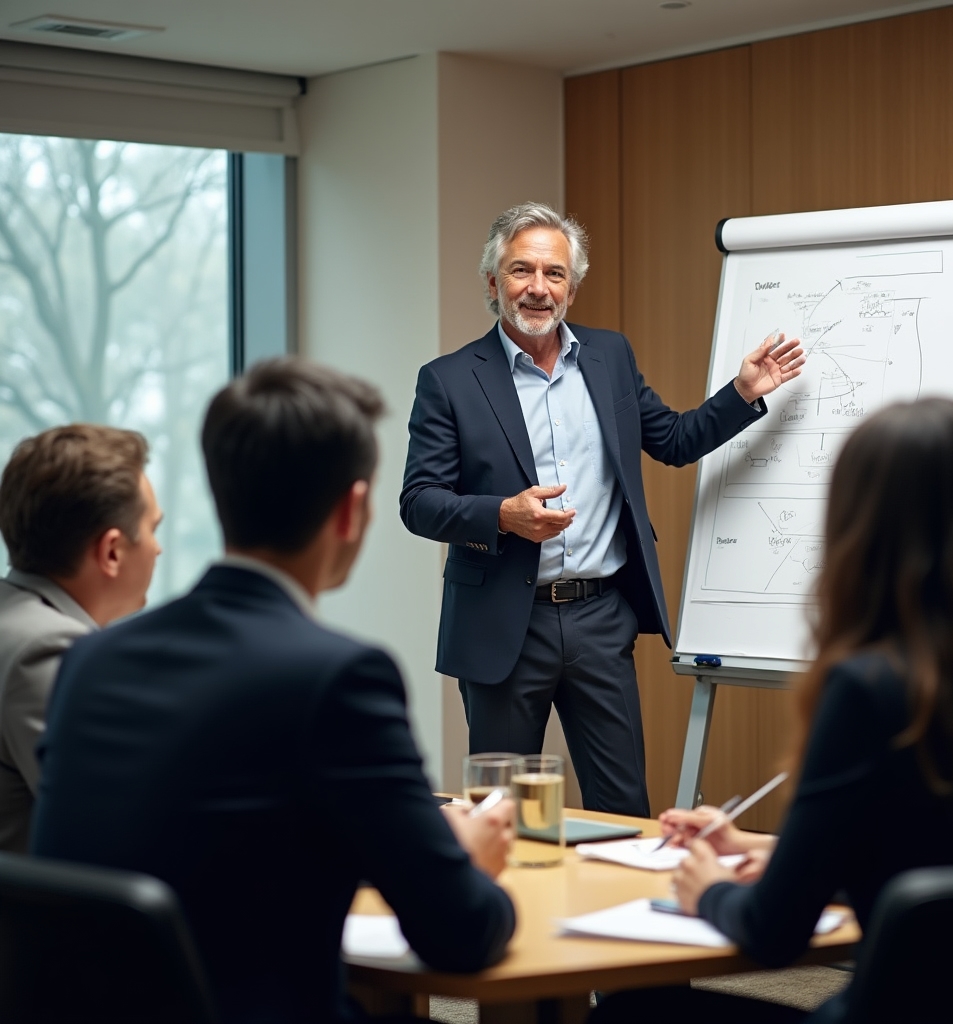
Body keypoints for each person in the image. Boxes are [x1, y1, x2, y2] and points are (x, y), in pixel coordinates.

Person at [32, 359, 517, 1024]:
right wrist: (471, 860)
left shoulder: (91, 659)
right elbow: (461, 934)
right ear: (352, 510)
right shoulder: (339, 677)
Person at [591, 398, 953, 1023]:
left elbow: (774, 933)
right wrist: (771, 850)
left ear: (861, 527)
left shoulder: (868, 688)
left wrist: (708, 890)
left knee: (632, 1014)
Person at [401, 201, 805, 816]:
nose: (538, 288)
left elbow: (672, 440)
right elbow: (420, 502)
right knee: (501, 815)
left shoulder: (609, 356)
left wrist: (743, 393)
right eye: (521, 271)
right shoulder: (450, 379)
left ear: (572, 285)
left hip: (600, 620)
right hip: (504, 624)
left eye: (554, 274)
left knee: (624, 809)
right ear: (493, 283)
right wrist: (504, 515)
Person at [0, 424, 161, 852]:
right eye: (152, 529)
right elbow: (115, 823)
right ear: (112, 552)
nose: (158, 549)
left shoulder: (14, 619)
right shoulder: (47, 649)